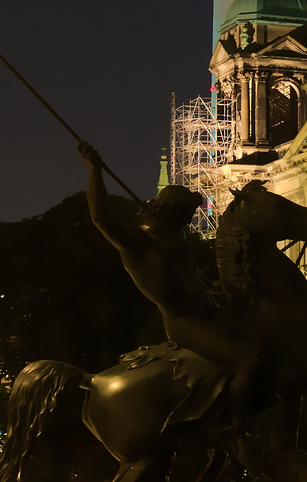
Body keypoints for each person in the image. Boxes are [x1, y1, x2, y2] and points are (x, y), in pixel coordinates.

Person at [79, 141, 260, 443]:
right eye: (187, 215)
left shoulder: (175, 238)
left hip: (209, 312)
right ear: (170, 210)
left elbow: (194, 283)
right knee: (247, 362)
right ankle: (240, 435)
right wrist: (94, 171)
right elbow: (101, 218)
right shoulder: (141, 243)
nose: (190, 222)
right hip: (186, 323)